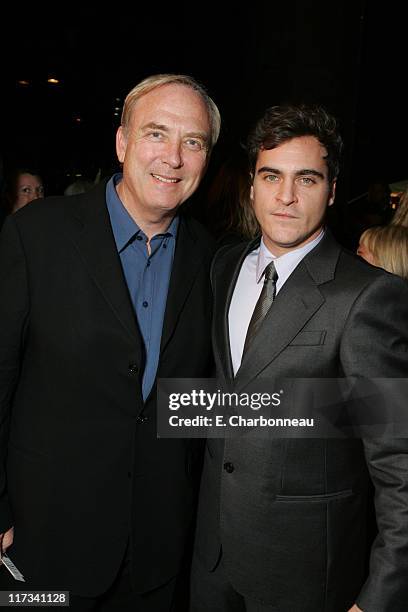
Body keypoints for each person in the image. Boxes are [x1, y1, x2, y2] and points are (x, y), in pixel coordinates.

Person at [0, 73, 220, 611]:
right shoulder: (37, 235)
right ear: (122, 143)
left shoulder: (214, 259)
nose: (172, 157)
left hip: (157, 561)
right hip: (41, 549)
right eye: (155, 134)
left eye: (192, 142)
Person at [191, 104, 408, 611]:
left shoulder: (368, 297)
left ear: (332, 190)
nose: (285, 197)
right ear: (251, 185)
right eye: (272, 177)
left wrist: (378, 600)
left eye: (306, 179)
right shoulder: (225, 267)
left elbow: (398, 464)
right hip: (212, 557)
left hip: (304, 573)